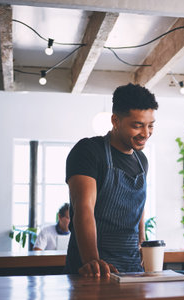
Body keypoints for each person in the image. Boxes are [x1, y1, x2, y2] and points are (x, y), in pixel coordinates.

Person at [64, 83, 158, 277]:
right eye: (137, 125)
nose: (146, 133)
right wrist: (92, 261)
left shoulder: (142, 161)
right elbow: (83, 209)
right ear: (115, 120)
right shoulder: (88, 151)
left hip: (132, 265)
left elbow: (138, 206)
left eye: (150, 125)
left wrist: (142, 241)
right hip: (93, 266)